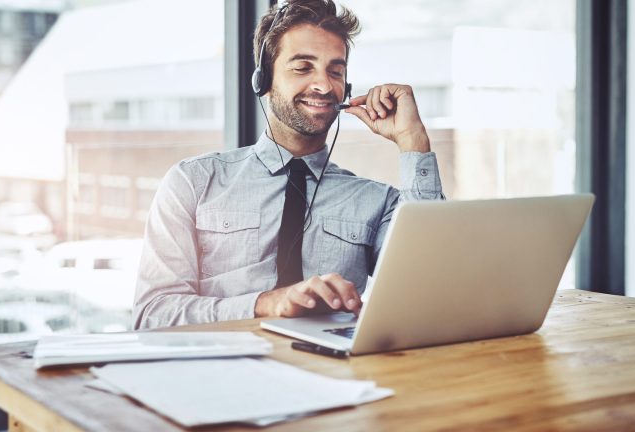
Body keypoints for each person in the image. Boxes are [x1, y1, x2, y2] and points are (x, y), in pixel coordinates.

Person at [132, 0, 445, 329]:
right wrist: (266, 303)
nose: (323, 86)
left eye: (335, 71)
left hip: (333, 374)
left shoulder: (376, 201)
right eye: (303, 68)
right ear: (263, 80)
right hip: (221, 372)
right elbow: (153, 315)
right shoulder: (194, 182)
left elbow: (434, 290)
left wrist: (413, 142)